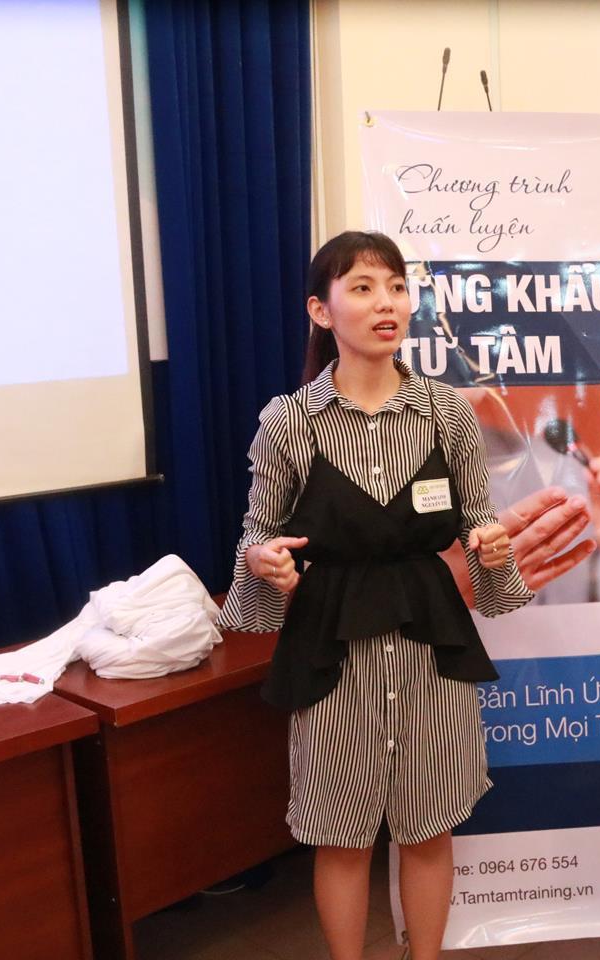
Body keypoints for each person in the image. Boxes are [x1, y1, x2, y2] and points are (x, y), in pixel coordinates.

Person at [215, 230, 532, 960]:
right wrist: (264, 562)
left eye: (395, 286)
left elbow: (477, 517)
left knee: (429, 828)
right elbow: (258, 536)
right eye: (362, 287)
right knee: (343, 836)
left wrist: (490, 546)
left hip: (432, 641)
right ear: (320, 311)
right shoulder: (289, 422)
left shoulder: (447, 412)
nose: (386, 303)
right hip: (331, 645)